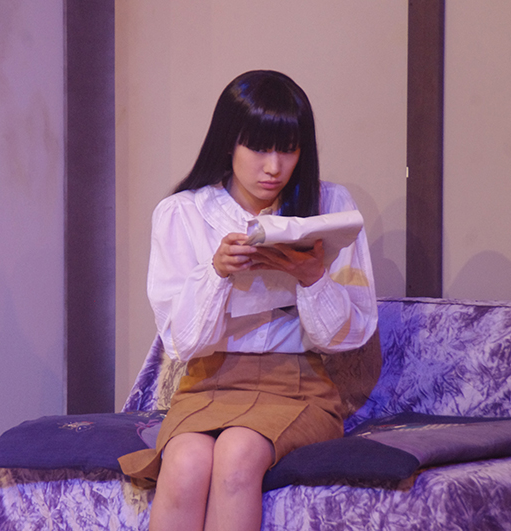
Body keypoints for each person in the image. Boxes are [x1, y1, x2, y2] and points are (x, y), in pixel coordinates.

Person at [118, 70, 378, 531]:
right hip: (207, 382)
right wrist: (216, 273)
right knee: (185, 464)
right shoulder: (184, 213)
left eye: (288, 149)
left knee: (237, 454)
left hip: (297, 386)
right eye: (258, 148)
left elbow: (348, 337)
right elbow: (182, 344)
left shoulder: (330, 206)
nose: (274, 167)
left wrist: (312, 277)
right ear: (229, 144)